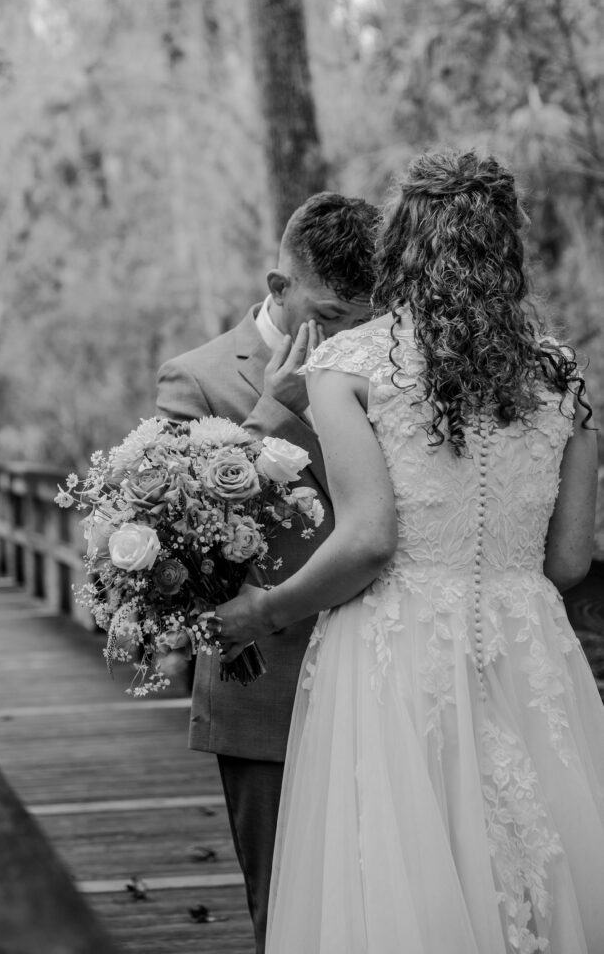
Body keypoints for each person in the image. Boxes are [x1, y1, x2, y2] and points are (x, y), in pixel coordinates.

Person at [214, 151, 604, 953]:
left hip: (396, 655)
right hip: (525, 647)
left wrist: (264, 609)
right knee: (538, 865)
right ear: (507, 256)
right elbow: (568, 562)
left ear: (399, 251)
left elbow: (367, 542)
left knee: (399, 879)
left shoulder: (349, 365)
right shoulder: (559, 372)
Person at [154, 191, 378, 952]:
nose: (352, 333)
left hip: (391, 678)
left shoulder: (393, 362)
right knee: (284, 913)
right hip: (269, 693)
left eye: (364, 314)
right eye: (332, 314)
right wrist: (274, 417)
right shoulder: (196, 378)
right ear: (278, 289)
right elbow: (181, 550)